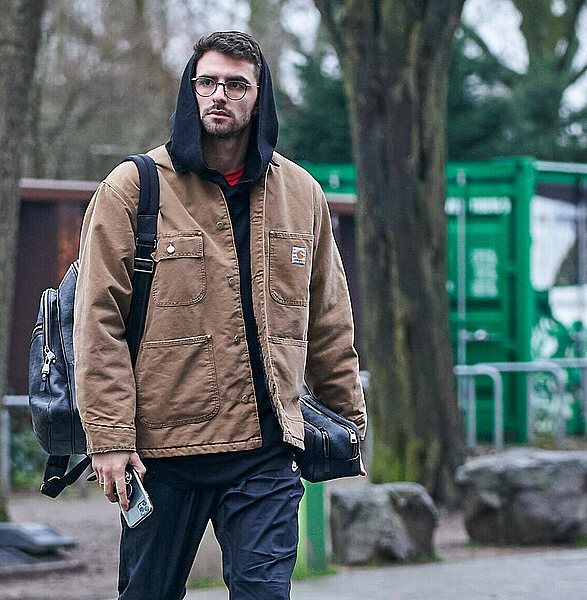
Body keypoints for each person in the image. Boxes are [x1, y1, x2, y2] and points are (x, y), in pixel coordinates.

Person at [73, 31, 367, 599]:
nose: (220, 95)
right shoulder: (134, 188)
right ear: (190, 90)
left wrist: (347, 421)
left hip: (266, 452)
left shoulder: (301, 191)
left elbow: (329, 317)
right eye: (207, 82)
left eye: (237, 85)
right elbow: (98, 319)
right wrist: (109, 437)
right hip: (162, 454)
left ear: (260, 97)